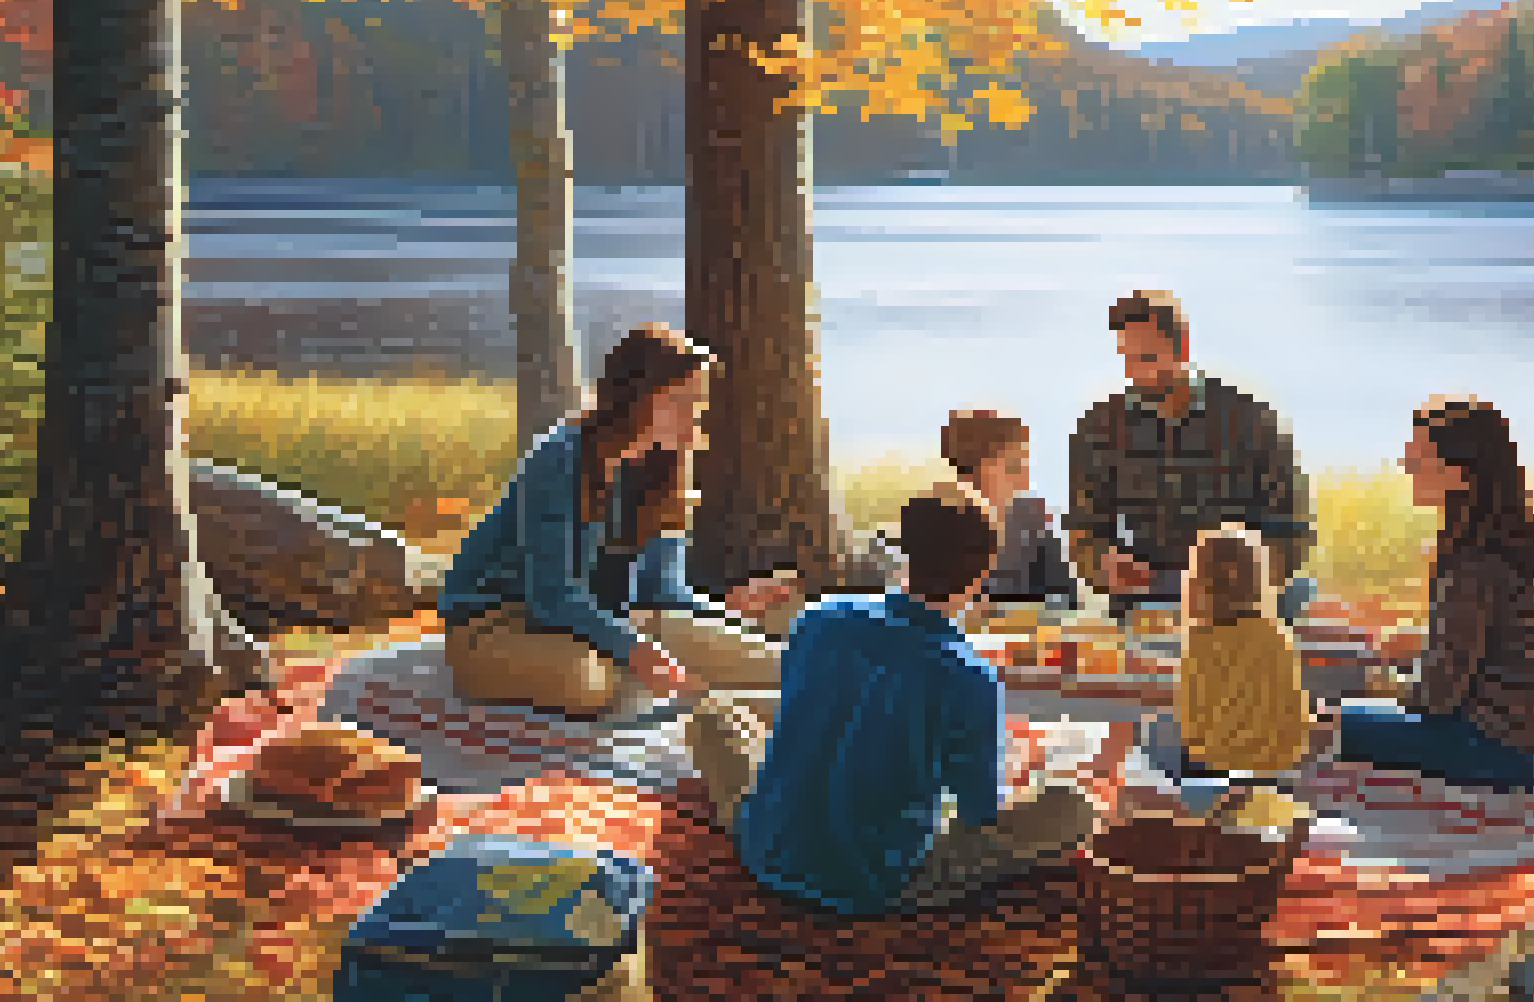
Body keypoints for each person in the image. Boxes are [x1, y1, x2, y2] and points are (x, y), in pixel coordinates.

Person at [683, 479, 1105, 916]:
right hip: (876, 882)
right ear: (982, 573)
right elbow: (979, 815)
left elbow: (799, 711)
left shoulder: (817, 618)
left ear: (902, 548)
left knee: (712, 715)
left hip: (766, 849)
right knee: (1074, 807)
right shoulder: (970, 677)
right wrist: (1015, 768)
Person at [437, 324, 795, 721]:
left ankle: (742, 692)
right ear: (637, 398)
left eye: (699, 403)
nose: (694, 417)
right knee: (588, 681)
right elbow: (550, 594)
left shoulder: (665, 467)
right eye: (681, 402)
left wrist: (728, 609)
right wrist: (634, 648)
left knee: (764, 660)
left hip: (590, 619)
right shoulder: (561, 458)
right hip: (496, 623)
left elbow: (659, 589)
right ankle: (707, 704)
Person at [1328, 396, 1534, 797]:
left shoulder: (1471, 561)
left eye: (1419, 456)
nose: (1404, 465)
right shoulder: (1506, 542)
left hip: (1502, 754)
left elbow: (1435, 699)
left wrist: (1376, 685)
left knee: (1324, 725)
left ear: (1461, 475)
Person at [1067, 291, 1315, 630]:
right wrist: (1103, 566)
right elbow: (1084, 532)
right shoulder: (1099, 427)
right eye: (1128, 359)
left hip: (1241, 605)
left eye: (1148, 357)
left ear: (1181, 347)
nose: (1138, 373)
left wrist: (1236, 586)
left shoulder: (1249, 419)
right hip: (1148, 600)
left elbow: (1293, 530)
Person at [1135, 524, 1314, 814]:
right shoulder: (1278, 635)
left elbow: (1192, 723)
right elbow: (1295, 713)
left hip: (1213, 768)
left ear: (1197, 582)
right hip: (1274, 772)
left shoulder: (1198, 641)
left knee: (1154, 736)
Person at [939, 409, 1078, 620]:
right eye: (1013, 467)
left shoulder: (1030, 519)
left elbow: (1066, 599)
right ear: (970, 471)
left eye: (1025, 464)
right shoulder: (939, 523)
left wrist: (1001, 613)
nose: (1025, 478)